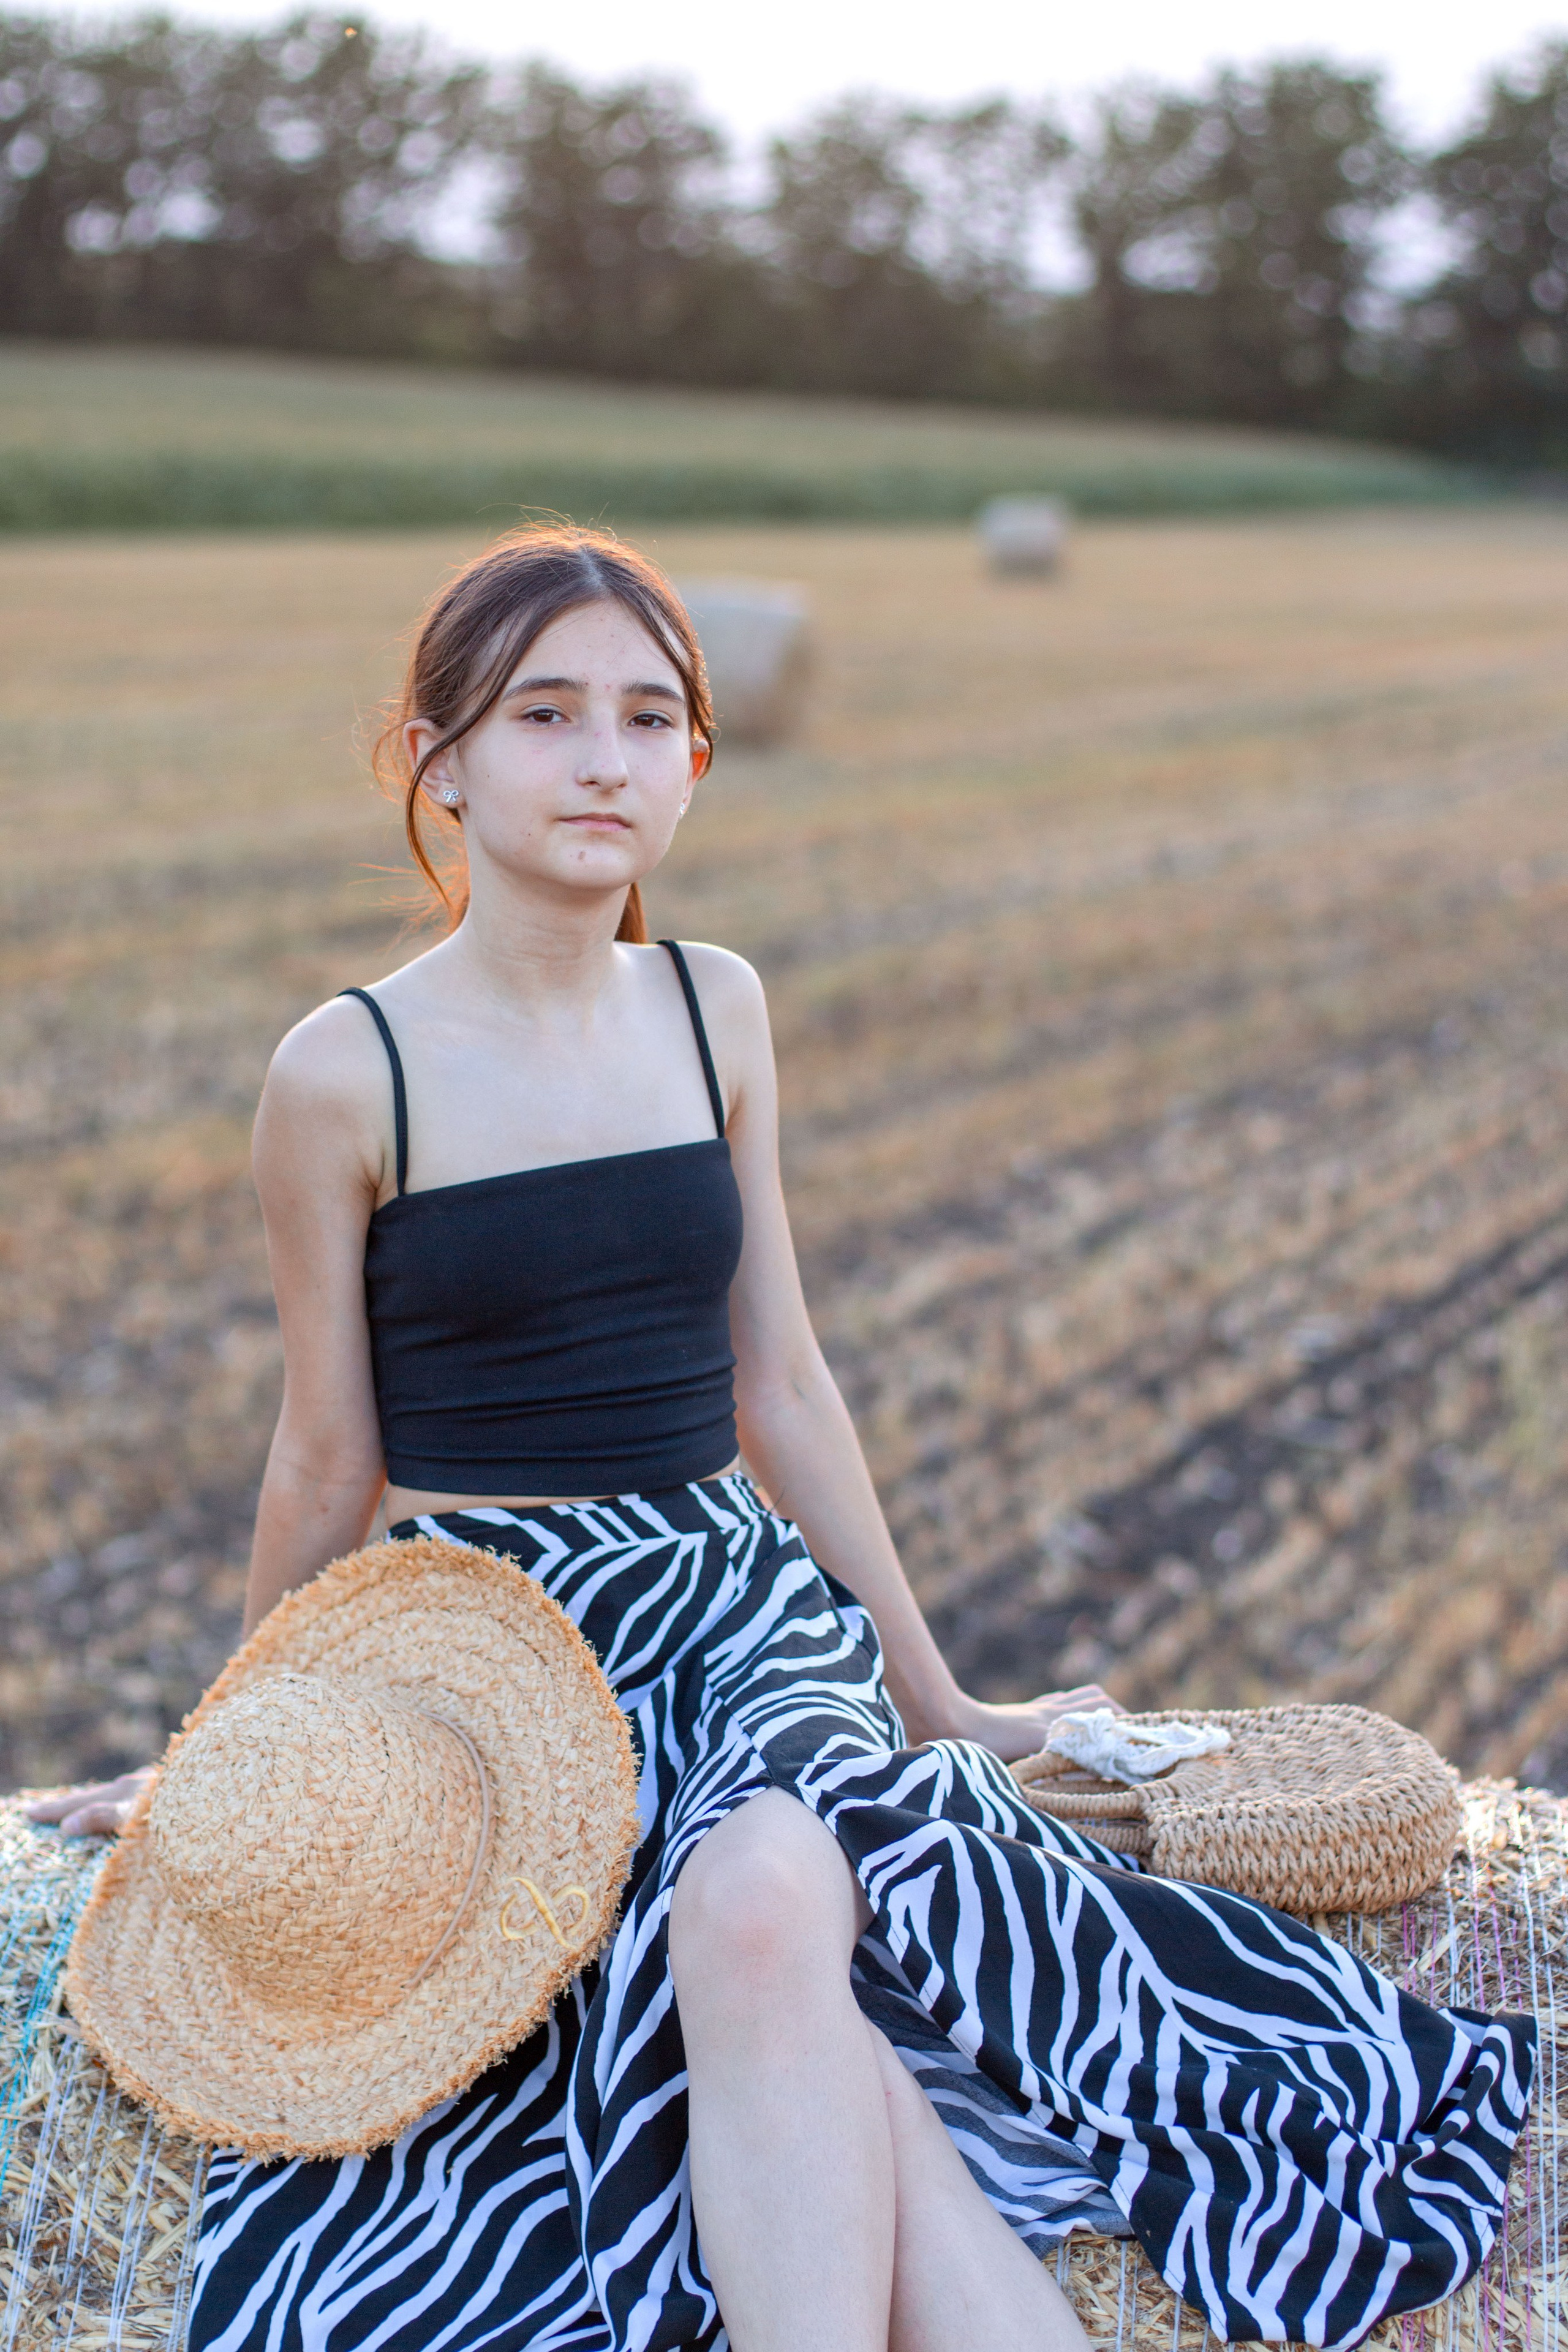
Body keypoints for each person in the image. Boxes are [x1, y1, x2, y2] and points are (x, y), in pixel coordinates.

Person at [29, 526, 1532, 2352]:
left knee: (756, 1904)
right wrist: (236, 1757)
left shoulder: (710, 1006)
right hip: (495, 1645)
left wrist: (946, 1702)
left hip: (738, 1604)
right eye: (547, 713)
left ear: (697, 761)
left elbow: (787, 1385)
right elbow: (319, 1458)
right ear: (439, 757)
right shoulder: (349, 1072)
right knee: (791, 2018)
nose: (605, 758)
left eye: (651, 717)